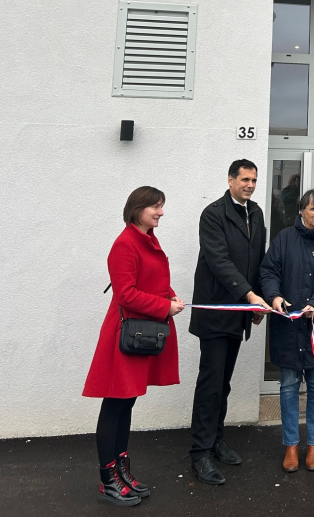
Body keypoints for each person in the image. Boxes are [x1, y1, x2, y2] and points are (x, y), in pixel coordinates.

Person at [83, 186, 186, 507]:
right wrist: (163, 307)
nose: (161, 212)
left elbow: (152, 281)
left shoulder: (148, 239)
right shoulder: (124, 244)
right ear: (137, 208)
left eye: (161, 206)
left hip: (139, 333)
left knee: (126, 403)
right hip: (124, 336)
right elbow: (126, 294)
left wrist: (169, 295)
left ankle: (122, 471)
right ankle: (107, 479)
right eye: (155, 206)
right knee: (115, 404)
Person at [189, 159, 271, 484]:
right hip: (215, 313)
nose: (250, 185)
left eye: (254, 180)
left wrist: (257, 304)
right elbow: (219, 261)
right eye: (245, 179)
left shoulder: (257, 213)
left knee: (223, 383)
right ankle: (200, 453)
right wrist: (250, 296)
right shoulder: (213, 214)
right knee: (210, 384)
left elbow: (259, 260)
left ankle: (217, 440)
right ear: (230, 180)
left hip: (238, 313)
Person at [259, 189, 314, 473]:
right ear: (301, 211)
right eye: (312, 209)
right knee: (287, 387)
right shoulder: (285, 238)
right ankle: (291, 446)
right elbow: (268, 270)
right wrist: (273, 296)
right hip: (288, 325)